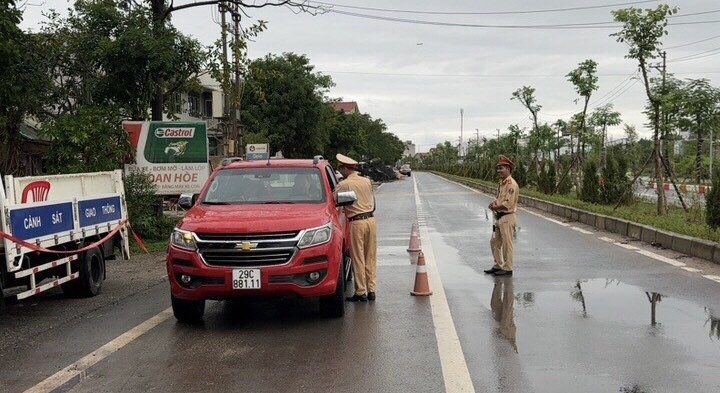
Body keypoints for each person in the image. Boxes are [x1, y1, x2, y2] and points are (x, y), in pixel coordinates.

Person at [335, 153, 377, 302]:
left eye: (340, 168)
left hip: (356, 222)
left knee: (358, 258)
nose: (340, 170)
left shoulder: (344, 184)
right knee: (370, 256)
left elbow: (335, 200)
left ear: (346, 169)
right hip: (370, 220)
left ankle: (361, 292)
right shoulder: (366, 181)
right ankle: (372, 289)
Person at [485, 155, 519, 276]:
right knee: (494, 242)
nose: (499, 171)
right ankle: (498, 265)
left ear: (508, 169)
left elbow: (507, 204)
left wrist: (496, 207)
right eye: (498, 168)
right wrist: (494, 203)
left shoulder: (511, 184)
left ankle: (508, 267)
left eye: (502, 168)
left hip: (507, 217)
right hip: (498, 217)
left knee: (506, 243)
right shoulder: (502, 183)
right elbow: (500, 199)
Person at [491, 276, 517, 353]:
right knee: (496, 306)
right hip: (506, 337)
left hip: (508, 333)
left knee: (506, 311)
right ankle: (501, 275)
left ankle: (508, 281)